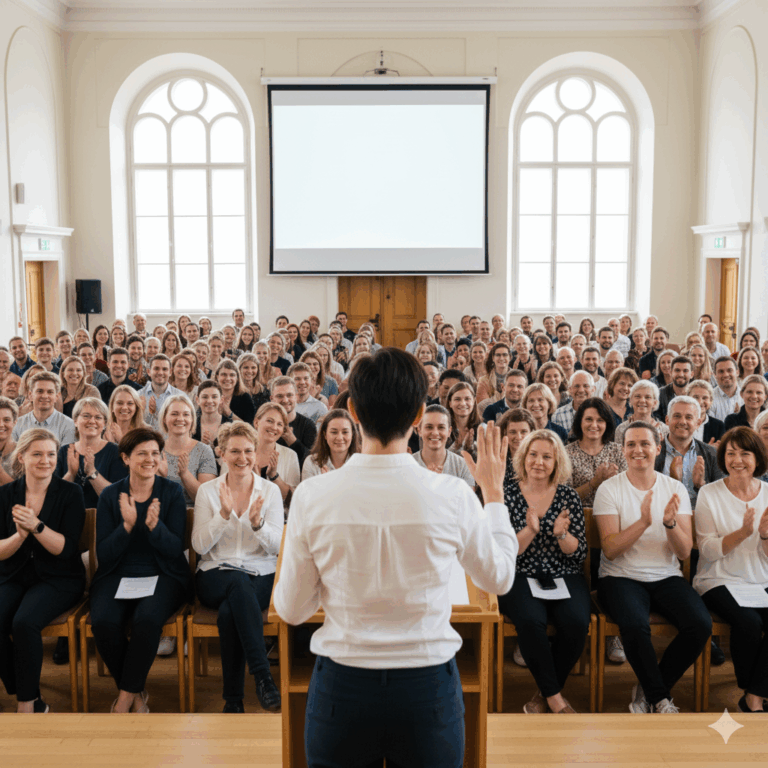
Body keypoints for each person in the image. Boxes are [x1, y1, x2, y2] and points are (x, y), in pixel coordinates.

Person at [274, 347, 516, 767]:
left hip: (342, 683)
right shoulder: (454, 495)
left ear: (350, 410)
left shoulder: (314, 495)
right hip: (427, 687)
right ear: (420, 416)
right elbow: (499, 580)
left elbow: (292, 610)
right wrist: (494, 497)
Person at [594, 422, 711, 714]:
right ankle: (660, 699)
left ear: (658, 448)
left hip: (666, 575)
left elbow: (684, 552)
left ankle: (647, 689)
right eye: (631, 444)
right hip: (619, 577)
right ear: (623, 451)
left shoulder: (674, 489)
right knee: (634, 626)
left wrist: (669, 523)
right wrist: (644, 522)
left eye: (645, 444)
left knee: (700, 624)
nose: (638, 450)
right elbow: (610, 548)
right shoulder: (609, 489)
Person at [89, 427, 191, 714]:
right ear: (125, 458)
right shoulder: (110, 495)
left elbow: (174, 549)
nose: (150, 459)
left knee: (147, 621)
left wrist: (154, 527)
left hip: (164, 574)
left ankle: (124, 700)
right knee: (104, 623)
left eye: (155, 454)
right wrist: (127, 527)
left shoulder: (170, 492)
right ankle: (134, 691)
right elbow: (106, 555)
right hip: (117, 574)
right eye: (142, 453)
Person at [191, 422, 283, 713]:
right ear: (221, 453)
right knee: (236, 583)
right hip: (215, 575)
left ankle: (233, 700)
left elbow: (279, 547)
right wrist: (223, 515)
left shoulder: (270, 492)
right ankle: (263, 676)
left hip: (261, 574)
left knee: (233, 610)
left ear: (256, 454)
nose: (241, 457)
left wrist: (258, 524)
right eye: (234, 451)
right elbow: (199, 547)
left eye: (247, 451)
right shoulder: (207, 492)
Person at [498, 429, 589, 713]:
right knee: (531, 621)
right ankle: (555, 699)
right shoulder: (506, 494)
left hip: (563, 572)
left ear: (556, 461)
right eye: (533, 455)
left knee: (575, 622)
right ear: (523, 458)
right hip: (520, 573)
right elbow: (503, 552)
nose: (539, 462)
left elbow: (580, 551)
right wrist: (530, 531)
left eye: (546, 457)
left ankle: (543, 694)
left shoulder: (568, 496)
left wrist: (562, 535)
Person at [0, 428, 86, 713]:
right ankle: (26, 691)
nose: (45, 461)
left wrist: (35, 527)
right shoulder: (5, 494)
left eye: (51, 454)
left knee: (24, 622)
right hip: (13, 574)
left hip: (59, 578)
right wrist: (19, 537)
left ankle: (27, 704)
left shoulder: (71, 493)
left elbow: (65, 549)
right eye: (37, 454)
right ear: (21, 457)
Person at [693, 427, 768, 712]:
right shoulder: (710, 494)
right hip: (718, 579)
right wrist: (742, 532)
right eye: (730, 453)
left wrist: (762, 535)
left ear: (756, 457)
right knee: (749, 623)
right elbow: (708, 551)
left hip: (760, 579)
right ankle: (754, 694)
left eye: (745, 453)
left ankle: (754, 696)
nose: (737, 460)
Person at [55, 397, 128, 509]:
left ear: (104, 424)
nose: (92, 421)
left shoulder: (116, 452)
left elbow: (116, 498)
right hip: (67, 519)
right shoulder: (64, 451)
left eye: (98, 417)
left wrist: (92, 473)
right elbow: (54, 497)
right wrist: (70, 474)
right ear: (75, 421)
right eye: (86, 416)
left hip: (102, 519)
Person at [157, 394, 217, 505]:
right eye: (174, 414)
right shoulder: (155, 450)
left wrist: (185, 474)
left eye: (186, 414)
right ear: (165, 418)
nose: (180, 419)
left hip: (194, 516)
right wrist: (161, 477)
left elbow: (207, 500)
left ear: (192, 419)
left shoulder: (204, 451)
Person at [567, 398, 627, 507]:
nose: (594, 425)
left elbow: (627, 491)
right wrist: (595, 482)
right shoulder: (566, 454)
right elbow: (565, 498)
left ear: (607, 424)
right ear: (580, 422)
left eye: (600, 420)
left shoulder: (618, 451)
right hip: (578, 518)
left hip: (614, 515)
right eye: (589, 419)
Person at [414, 405, 474, 486]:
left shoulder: (463, 466)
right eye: (429, 427)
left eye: (441, 427)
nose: (435, 433)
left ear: (449, 431)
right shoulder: (408, 465)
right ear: (419, 430)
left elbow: (468, 498)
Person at [253, 403, 300, 504]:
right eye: (270, 421)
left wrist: (274, 476)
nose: (274, 427)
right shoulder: (240, 451)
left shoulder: (290, 455)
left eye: (279, 424)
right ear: (256, 422)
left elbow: (294, 500)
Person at [12, 373, 76, 445]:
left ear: (56, 397)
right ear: (30, 395)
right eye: (40, 391)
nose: (45, 396)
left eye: (50, 392)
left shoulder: (69, 425)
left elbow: (65, 455)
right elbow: (14, 455)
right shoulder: (17, 425)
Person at [270, 376, 317, 469]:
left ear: (296, 396)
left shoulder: (308, 425)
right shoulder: (264, 425)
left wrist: (293, 441)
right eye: (279, 396)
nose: (285, 400)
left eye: (289, 395)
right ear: (272, 399)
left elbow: (313, 463)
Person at [301, 409, 359, 481]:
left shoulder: (362, 463)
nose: (340, 438)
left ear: (352, 434)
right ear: (325, 435)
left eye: (345, 432)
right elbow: (306, 492)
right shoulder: (311, 462)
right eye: (334, 432)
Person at [614, 380, 669, 446]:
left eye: (647, 397)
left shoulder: (665, 430)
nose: (642, 400)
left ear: (655, 403)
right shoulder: (621, 429)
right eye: (637, 396)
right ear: (631, 400)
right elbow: (619, 455)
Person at [138, 354, 181, 431]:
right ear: (149, 371)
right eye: (156, 368)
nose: (160, 373)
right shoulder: (138, 396)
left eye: (164, 369)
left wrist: (156, 413)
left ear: (170, 372)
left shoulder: (180, 397)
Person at [446, 381, 482, 459]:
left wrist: (470, 450)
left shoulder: (483, 429)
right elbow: (438, 459)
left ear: (474, 401)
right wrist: (456, 445)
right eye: (457, 399)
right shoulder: (441, 428)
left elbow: (486, 463)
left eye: (467, 399)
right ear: (450, 403)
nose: (463, 403)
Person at [214, 360, 256, 425]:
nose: (228, 378)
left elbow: (250, 428)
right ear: (217, 376)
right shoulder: (210, 395)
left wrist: (229, 414)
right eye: (224, 374)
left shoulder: (245, 398)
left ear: (237, 378)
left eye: (232, 375)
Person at [193, 380, 232, 450]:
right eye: (205, 397)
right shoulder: (190, 425)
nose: (210, 401)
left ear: (221, 399)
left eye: (214, 397)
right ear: (197, 400)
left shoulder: (231, 426)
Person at [686, 380, 725, 445]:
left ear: (711, 401)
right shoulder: (681, 423)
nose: (700, 402)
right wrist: (708, 450)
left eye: (705, 398)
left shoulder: (719, 426)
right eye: (696, 397)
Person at [657, 356, 694, 422]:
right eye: (677, 370)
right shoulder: (659, 394)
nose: (681, 374)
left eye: (685, 371)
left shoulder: (697, 395)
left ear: (691, 374)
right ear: (671, 372)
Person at [711, 356, 744, 423]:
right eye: (721, 371)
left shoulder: (746, 397)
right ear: (714, 375)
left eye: (729, 370)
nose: (726, 375)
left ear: (737, 372)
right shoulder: (709, 398)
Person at [0, 398, 18, 485]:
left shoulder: (23, 453)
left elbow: (23, 493)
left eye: (6, 420)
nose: (1, 425)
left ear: (14, 422)